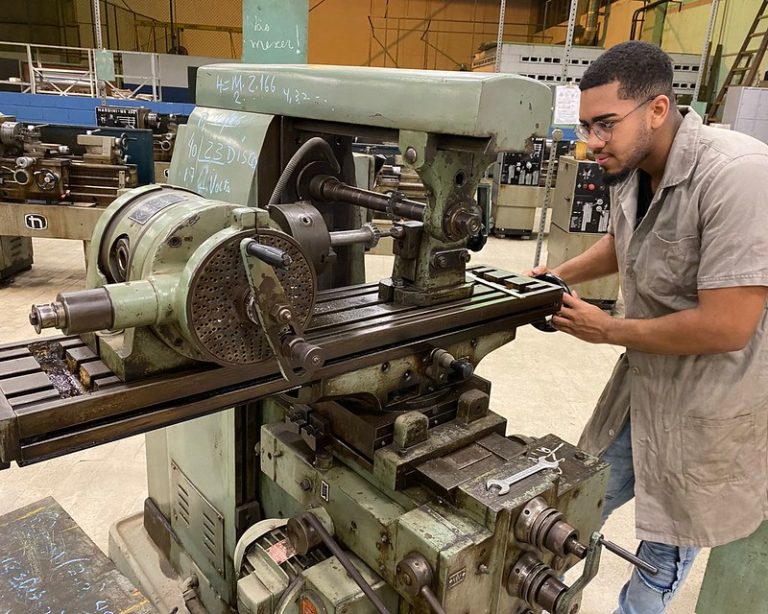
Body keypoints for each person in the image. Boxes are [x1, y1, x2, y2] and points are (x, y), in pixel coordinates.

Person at [530, 41, 768, 614]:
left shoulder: (738, 176)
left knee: (663, 549)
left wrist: (608, 328)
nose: (593, 141)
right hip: (642, 386)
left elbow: (729, 326)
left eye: (606, 124)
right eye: (587, 126)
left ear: (658, 109)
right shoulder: (632, 168)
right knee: (573, 505)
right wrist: (557, 275)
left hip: (705, 403)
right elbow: (625, 241)